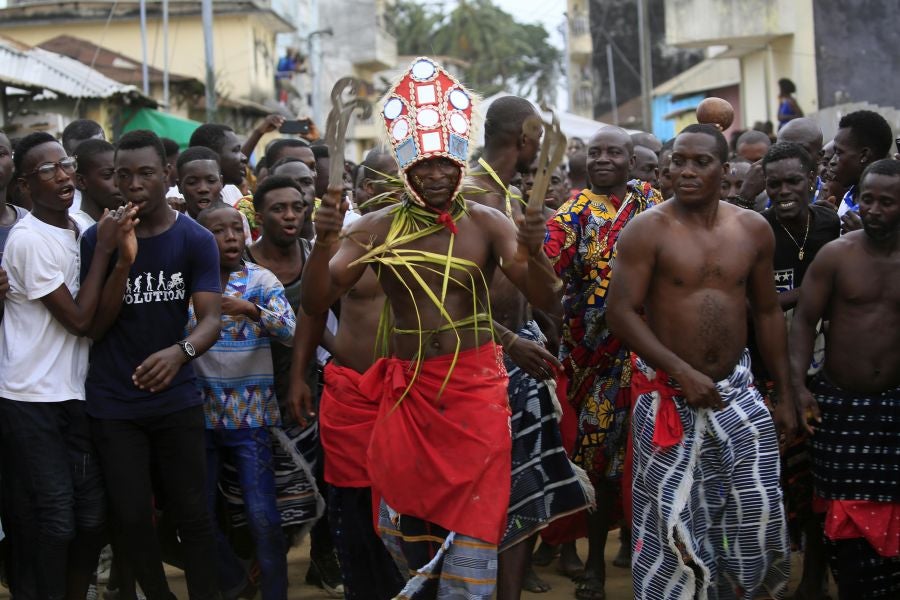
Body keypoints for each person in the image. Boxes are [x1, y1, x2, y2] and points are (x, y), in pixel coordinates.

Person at [301, 57, 562, 600]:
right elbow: (315, 298)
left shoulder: (487, 222)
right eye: (423, 166)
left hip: (474, 394)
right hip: (409, 396)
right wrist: (325, 241)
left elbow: (548, 296)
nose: (437, 175)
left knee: (474, 519)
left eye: (446, 163)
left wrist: (535, 252)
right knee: (404, 522)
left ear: (460, 160)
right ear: (405, 168)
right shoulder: (374, 228)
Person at [605, 123, 792, 599]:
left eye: (700, 162)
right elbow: (620, 313)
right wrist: (680, 370)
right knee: (673, 520)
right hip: (669, 394)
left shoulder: (752, 228)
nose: (685, 171)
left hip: (736, 391)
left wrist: (788, 393)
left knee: (757, 509)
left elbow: (768, 311)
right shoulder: (647, 231)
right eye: (678, 161)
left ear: (725, 170)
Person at [82, 129, 223, 600]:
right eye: (124, 174)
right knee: (132, 518)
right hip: (113, 402)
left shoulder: (195, 238)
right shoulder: (96, 238)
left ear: (167, 175)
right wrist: (117, 256)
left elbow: (210, 321)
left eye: (145, 173)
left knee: (193, 514)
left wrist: (179, 352)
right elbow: (94, 327)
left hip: (175, 396)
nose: (133, 183)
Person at [468, 95, 594, 600]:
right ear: (522, 138)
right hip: (476, 360)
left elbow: (543, 287)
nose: (540, 149)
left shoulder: (515, 198)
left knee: (526, 492)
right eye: (537, 139)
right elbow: (441, 299)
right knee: (483, 490)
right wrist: (507, 341)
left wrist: (538, 250)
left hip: (524, 357)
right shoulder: (464, 195)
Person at [0, 131, 134, 600]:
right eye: (47, 170)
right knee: (55, 519)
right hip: (31, 398)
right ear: (24, 186)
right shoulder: (28, 241)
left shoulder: (79, 226)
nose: (63, 175)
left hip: (75, 392)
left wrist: (118, 263)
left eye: (65, 163)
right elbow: (79, 320)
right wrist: (105, 254)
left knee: (92, 518)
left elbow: (95, 326)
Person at [543, 126, 661, 600]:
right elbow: (543, 267)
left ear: (632, 161)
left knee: (652, 456)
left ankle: (649, 552)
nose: (604, 159)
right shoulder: (571, 214)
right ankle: (594, 563)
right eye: (596, 153)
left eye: (614, 152)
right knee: (596, 461)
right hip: (594, 359)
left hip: (654, 352)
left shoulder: (651, 201)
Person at [788, 158, 900, 599]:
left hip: (894, 406)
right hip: (840, 404)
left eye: (886, 202)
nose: (873, 209)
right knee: (843, 519)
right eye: (867, 198)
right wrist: (797, 387)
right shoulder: (836, 254)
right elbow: (804, 322)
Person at [297, 148, 406, 600]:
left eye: (394, 182)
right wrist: (298, 375)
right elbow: (312, 308)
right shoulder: (347, 238)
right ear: (360, 189)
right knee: (355, 509)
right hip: (351, 394)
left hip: (411, 393)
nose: (382, 191)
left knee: (409, 508)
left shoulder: (433, 237)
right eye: (372, 182)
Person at [190, 202, 295, 600]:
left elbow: (290, 330)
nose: (231, 237)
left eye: (237, 229)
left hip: (250, 415)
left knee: (261, 514)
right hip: (198, 415)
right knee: (197, 513)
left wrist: (251, 310)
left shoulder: (259, 280)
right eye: (219, 231)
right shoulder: (187, 282)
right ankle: (233, 580)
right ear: (202, 238)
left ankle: (275, 592)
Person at [244, 175, 336, 595]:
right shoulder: (239, 260)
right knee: (256, 490)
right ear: (259, 215)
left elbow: (326, 321)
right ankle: (259, 565)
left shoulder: (316, 257)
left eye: (298, 207)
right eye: (279, 208)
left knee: (318, 483)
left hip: (307, 389)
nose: (290, 215)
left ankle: (322, 560)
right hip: (249, 392)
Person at [758, 142, 840, 598]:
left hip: (829, 372)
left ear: (813, 178)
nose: (784, 191)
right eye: (774, 184)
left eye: (793, 181)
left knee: (823, 478)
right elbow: (753, 306)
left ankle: (815, 576)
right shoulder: (758, 231)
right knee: (782, 479)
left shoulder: (833, 226)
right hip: (772, 373)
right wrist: (811, 293)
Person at [827, 110, 894, 233]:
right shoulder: (850, 196)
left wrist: (864, 237)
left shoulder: (893, 203)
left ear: (864, 155)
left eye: (839, 153)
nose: (832, 161)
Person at [188, 123, 257, 238]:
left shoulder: (233, 191)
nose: (244, 158)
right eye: (236, 150)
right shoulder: (177, 204)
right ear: (212, 155)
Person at [71, 138, 124, 230]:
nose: (118, 182)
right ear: (81, 181)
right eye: (107, 175)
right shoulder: (77, 229)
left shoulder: (125, 222)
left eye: (120, 174)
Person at [62, 119, 105, 214]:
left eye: (97, 150)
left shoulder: (125, 187)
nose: (91, 159)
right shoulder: (63, 204)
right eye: (81, 154)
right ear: (67, 155)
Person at [267, 157, 317, 240]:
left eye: (306, 182)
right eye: (287, 184)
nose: (299, 190)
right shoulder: (256, 251)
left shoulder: (339, 242)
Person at [176, 146, 225, 220]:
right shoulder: (174, 227)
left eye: (211, 181)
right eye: (192, 182)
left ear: (221, 182)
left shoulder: (238, 221)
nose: (203, 189)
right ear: (179, 186)